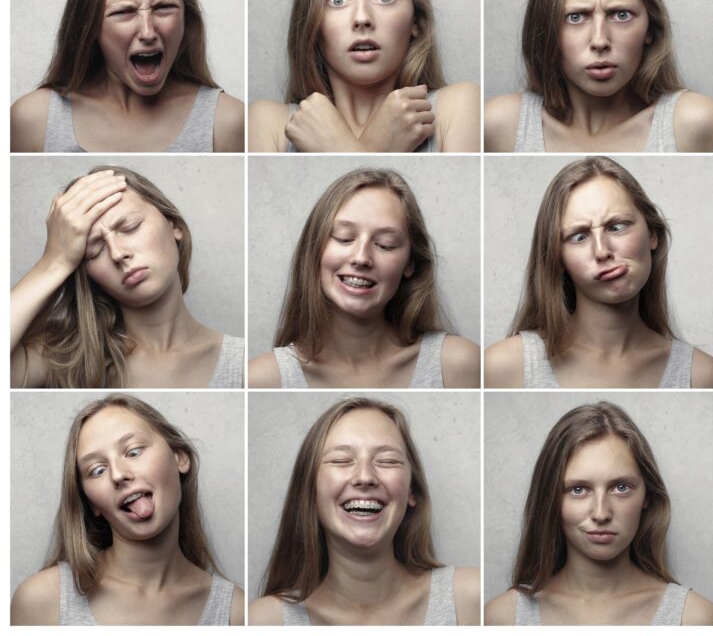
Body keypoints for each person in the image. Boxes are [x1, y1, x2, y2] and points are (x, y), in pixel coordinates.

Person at [10, 394, 243, 625]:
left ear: (179, 458)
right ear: (92, 504)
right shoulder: (42, 601)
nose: (119, 474)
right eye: (97, 470)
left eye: (133, 452)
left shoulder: (236, 613)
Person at [10, 0, 244, 153]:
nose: (148, 32)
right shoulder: (33, 120)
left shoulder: (227, 123)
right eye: (124, 12)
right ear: (89, 26)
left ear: (187, 17)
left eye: (163, 7)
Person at [486, 157, 713, 388]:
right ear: (558, 259)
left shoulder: (701, 375)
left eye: (616, 227)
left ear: (653, 234)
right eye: (579, 236)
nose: (602, 251)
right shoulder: (504, 367)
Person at [248, 0, 479, 153]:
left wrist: (338, 148)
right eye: (337, 0)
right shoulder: (270, 125)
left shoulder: (457, 107)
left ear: (416, 22)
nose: (362, 18)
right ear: (313, 26)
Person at [250, 397, 480, 625]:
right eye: (340, 460)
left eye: (388, 461)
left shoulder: (470, 600)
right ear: (310, 491)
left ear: (412, 491)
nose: (365, 477)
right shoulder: (263, 621)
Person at [11, 166, 243, 388]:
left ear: (174, 227)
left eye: (130, 227)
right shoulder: (65, 358)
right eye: (95, 250)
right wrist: (54, 261)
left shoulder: (243, 364)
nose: (118, 253)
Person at [484, 0, 713, 153]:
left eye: (620, 15)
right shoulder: (500, 125)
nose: (599, 40)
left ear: (651, 29)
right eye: (575, 17)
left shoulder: (692, 123)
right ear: (546, 30)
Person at [485, 402, 713, 624]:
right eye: (578, 489)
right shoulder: (502, 618)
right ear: (550, 499)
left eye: (621, 487)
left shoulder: (695, 618)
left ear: (647, 495)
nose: (601, 513)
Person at [248, 167, 479, 388]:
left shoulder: (458, 364)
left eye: (384, 245)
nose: (361, 258)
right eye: (344, 238)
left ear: (410, 263)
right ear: (314, 250)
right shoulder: (260, 378)